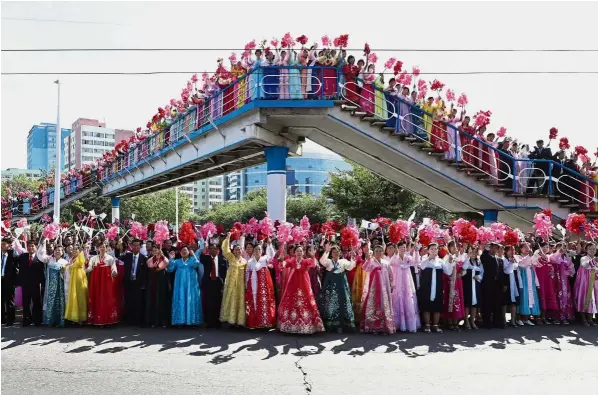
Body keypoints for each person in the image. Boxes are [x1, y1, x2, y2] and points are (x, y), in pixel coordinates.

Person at [277, 245, 324, 334]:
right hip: (293, 285)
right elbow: (282, 266)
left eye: (301, 251)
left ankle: (307, 325)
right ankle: (291, 326)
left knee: (306, 302)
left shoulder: (306, 261)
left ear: (303, 253)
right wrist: (281, 260)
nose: (299, 253)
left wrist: (313, 256)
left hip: (304, 285)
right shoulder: (291, 261)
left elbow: (313, 264)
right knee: (291, 303)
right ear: (294, 253)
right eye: (297, 251)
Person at [318, 243, 356, 332]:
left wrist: (353, 258)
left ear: (340, 253)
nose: (335, 254)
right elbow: (321, 261)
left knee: (343, 303)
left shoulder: (343, 261)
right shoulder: (328, 261)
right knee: (330, 304)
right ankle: (331, 325)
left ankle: (342, 325)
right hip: (330, 287)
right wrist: (326, 251)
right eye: (334, 252)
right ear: (331, 254)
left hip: (341, 286)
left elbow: (350, 267)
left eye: (337, 252)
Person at [360, 244, 396, 334]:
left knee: (384, 305)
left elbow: (391, 276)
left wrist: (392, 285)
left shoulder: (386, 263)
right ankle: (373, 327)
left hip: (385, 287)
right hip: (374, 288)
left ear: (383, 252)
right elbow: (364, 268)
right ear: (373, 252)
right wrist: (367, 259)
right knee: (374, 305)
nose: (378, 252)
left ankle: (385, 326)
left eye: (380, 251)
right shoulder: (371, 261)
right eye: (376, 251)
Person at [419, 243, 453, 333]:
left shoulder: (441, 261)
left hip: (437, 286)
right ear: (428, 250)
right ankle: (427, 325)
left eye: (435, 249)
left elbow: (449, 272)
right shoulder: (424, 258)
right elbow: (422, 266)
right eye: (432, 249)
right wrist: (430, 258)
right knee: (426, 306)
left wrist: (450, 261)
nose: (434, 251)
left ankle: (436, 325)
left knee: (437, 306)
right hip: (426, 286)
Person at [388, 241, 420, 332]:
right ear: (398, 248)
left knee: (408, 300)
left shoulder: (408, 257)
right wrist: (395, 254)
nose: (403, 248)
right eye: (401, 247)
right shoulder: (395, 257)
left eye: (404, 247)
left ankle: (409, 324)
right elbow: (390, 263)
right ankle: (398, 324)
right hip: (397, 282)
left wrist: (416, 252)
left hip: (407, 282)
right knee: (397, 300)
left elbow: (416, 262)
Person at [167, 245, 203, 326]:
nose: (184, 252)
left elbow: (197, 264)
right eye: (182, 250)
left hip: (191, 286)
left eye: (185, 250)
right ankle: (180, 321)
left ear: (188, 252)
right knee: (181, 299)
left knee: (191, 300)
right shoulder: (177, 261)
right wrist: (171, 259)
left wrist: (193, 254)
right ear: (180, 252)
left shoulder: (192, 260)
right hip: (180, 286)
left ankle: (193, 321)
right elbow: (170, 269)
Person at [87, 242, 120, 326]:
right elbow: (90, 268)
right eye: (100, 247)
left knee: (107, 298)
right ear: (98, 248)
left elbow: (114, 268)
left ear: (107, 248)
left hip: (106, 281)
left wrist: (114, 272)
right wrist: (82, 270)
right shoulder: (93, 258)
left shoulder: (110, 258)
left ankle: (108, 319)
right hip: (96, 281)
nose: (102, 248)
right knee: (97, 297)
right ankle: (97, 319)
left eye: (104, 247)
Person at [36, 239, 68, 327]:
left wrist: (63, 272)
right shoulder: (49, 259)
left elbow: (67, 276)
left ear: (62, 252)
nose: (58, 252)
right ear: (53, 251)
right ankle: (49, 320)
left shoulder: (65, 262)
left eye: (60, 250)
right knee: (50, 301)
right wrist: (44, 242)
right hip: (50, 286)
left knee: (60, 302)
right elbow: (40, 255)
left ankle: (60, 320)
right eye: (56, 250)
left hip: (60, 286)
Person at [245, 241, 276, 329]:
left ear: (261, 250)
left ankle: (265, 322)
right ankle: (255, 322)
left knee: (265, 302)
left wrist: (270, 244)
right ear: (253, 251)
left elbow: (272, 255)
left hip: (264, 287)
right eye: (255, 249)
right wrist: (246, 285)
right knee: (254, 302)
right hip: (253, 286)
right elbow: (247, 274)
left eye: (259, 249)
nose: (257, 251)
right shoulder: (250, 262)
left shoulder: (265, 259)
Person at [220, 233, 247, 327]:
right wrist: (228, 237)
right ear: (233, 251)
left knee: (240, 302)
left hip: (240, 285)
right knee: (230, 301)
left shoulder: (244, 261)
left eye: (239, 249)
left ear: (242, 250)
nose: (238, 251)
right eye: (236, 249)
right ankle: (230, 320)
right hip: (231, 284)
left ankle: (239, 322)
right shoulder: (230, 258)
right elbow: (225, 250)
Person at [15, 240, 44, 326]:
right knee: (26, 302)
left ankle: (37, 320)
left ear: (36, 247)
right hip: (25, 284)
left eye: (32, 246)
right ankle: (26, 320)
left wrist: (42, 283)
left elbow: (42, 272)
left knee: (36, 302)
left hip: (36, 284)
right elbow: (15, 263)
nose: (30, 248)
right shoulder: (23, 256)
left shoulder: (40, 257)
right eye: (29, 246)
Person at [120, 239, 147, 326]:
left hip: (138, 283)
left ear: (140, 246)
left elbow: (145, 273)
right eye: (134, 245)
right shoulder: (127, 256)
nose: (135, 247)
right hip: (128, 282)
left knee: (138, 301)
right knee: (129, 301)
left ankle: (138, 320)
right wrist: (120, 245)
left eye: (137, 245)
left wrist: (143, 284)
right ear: (131, 246)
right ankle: (129, 320)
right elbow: (117, 256)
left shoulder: (144, 258)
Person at [200, 243, 228, 328]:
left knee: (217, 302)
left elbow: (225, 273)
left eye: (214, 248)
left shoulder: (223, 260)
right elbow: (201, 258)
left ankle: (217, 321)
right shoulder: (206, 258)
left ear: (218, 250)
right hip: (208, 282)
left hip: (218, 283)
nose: (212, 250)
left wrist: (224, 284)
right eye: (211, 248)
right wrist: (204, 250)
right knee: (208, 302)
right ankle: (208, 321)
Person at [480, 242, 507, 329]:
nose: (495, 249)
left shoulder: (500, 260)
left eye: (496, 248)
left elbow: (502, 273)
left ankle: (498, 322)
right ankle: (487, 323)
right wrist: (486, 247)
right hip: (488, 284)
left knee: (497, 304)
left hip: (497, 284)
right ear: (490, 248)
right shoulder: (485, 257)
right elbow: (483, 256)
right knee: (487, 303)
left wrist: (504, 284)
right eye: (493, 247)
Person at [146, 245, 172, 328]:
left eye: (156, 250)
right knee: (154, 300)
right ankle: (154, 321)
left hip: (162, 281)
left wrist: (162, 256)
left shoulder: (163, 258)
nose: (154, 251)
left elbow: (166, 263)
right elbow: (150, 266)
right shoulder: (150, 259)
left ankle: (163, 321)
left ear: (159, 250)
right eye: (153, 250)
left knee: (162, 300)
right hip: (153, 281)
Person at [442, 241, 466, 331]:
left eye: (455, 246)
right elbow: (446, 271)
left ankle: (455, 322)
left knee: (457, 301)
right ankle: (449, 322)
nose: (454, 248)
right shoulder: (446, 257)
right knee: (449, 301)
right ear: (449, 248)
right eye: (452, 247)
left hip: (458, 282)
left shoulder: (460, 257)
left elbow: (464, 269)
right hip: (449, 282)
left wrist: (461, 273)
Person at [532, 242, 558, 324]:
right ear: (540, 247)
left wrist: (552, 272)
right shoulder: (536, 255)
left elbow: (550, 267)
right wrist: (540, 257)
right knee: (539, 296)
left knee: (546, 297)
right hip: (539, 279)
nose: (546, 248)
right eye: (544, 247)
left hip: (547, 280)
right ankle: (538, 317)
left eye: (547, 247)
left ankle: (544, 317)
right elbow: (535, 264)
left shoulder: (548, 256)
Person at [549, 243, 575, 324]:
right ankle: (555, 317)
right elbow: (553, 261)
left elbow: (571, 270)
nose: (562, 249)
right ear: (556, 248)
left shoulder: (567, 258)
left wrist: (564, 273)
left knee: (565, 296)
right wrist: (558, 253)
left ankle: (565, 316)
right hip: (555, 280)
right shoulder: (552, 256)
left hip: (564, 281)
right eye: (560, 247)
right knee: (556, 296)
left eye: (564, 247)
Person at [573, 243, 598, 327]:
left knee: (593, 301)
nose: (592, 250)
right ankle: (584, 319)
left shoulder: (595, 258)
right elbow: (585, 265)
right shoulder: (584, 258)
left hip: (594, 283)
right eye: (590, 248)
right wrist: (595, 261)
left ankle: (590, 319)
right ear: (586, 250)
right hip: (584, 283)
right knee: (584, 299)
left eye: (594, 249)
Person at [515, 243, 540, 325]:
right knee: (522, 299)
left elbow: (535, 267)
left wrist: (536, 283)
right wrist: (529, 257)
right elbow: (522, 265)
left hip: (530, 281)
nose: (526, 249)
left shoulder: (530, 257)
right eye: (524, 247)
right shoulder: (517, 257)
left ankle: (526, 318)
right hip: (523, 280)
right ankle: (518, 319)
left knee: (530, 299)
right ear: (520, 249)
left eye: (528, 247)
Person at [64, 244, 88, 324]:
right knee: (73, 297)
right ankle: (74, 318)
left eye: (76, 250)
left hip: (79, 280)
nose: (74, 251)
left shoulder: (80, 258)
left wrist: (81, 252)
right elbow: (68, 267)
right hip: (72, 280)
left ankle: (81, 318)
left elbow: (81, 262)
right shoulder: (71, 259)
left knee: (80, 297)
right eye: (73, 250)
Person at [461, 245, 483, 330]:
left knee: (474, 304)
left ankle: (472, 321)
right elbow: (464, 268)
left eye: (475, 252)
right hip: (467, 284)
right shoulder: (465, 260)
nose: (473, 253)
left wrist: (479, 277)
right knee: (467, 304)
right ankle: (466, 321)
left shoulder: (479, 261)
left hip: (476, 284)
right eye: (471, 252)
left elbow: (482, 272)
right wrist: (468, 257)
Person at [1, 238, 18, 326]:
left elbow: (16, 269)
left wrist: (15, 282)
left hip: (9, 281)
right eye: (1, 244)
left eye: (4, 244)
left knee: (9, 300)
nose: (2, 246)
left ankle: (10, 319)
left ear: (8, 245)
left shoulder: (12, 255)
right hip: (1, 280)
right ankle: (2, 319)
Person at [502, 245, 520, 327]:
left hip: (514, 282)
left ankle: (513, 321)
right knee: (505, 302)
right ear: (506, 251)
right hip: (507, 282)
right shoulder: (504, 259)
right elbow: (507, 271)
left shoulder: (516, 259)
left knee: (514, 302)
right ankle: (503, 320)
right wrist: (510, 263)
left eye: (513, 250)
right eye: (510, 250)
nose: (512, 252)